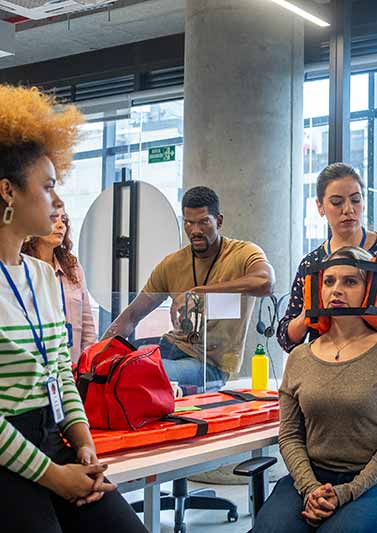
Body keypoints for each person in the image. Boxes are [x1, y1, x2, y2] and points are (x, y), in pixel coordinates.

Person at [0, 84, 145, 532]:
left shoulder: (43, 275)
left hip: (53, 439)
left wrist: (83, 443)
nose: (56, 202)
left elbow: (61, 369)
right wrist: (55, 477)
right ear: (7, 191)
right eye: (46, 188)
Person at [255, 246, 377, 533]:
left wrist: (347, 492)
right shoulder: (300, 357)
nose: (336, 290)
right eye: (329, 281)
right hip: (309, 478)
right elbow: (290, 435)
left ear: (370, 288)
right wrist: (310, 488)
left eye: (350, 281)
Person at [101, 185, 274, 392]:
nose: (195, 230)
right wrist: (96, 354)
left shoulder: (243, 253)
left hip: (209, 365)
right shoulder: (172, 264)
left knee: (135, 371)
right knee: (114, 364)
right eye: (189, 223)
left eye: (203, 222)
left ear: (218, 221)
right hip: (171, 346)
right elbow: (131, 315)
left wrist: (199, 293)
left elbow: (265, 282)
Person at [278, 162, 377, 359]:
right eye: (337, 202)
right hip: (334, 369)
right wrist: (306, 315)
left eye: (355, 200)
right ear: (320, 207)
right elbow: (286, 339)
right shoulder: (311, 264)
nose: (348, 209)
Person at [23, 207, 97, 363]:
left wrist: (88, 363)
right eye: (53, 218)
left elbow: (87, 324)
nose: (61, 225)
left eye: (63, 220)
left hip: (73, 366)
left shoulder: (73, 266)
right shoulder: (20, 267)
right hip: (34, 366)